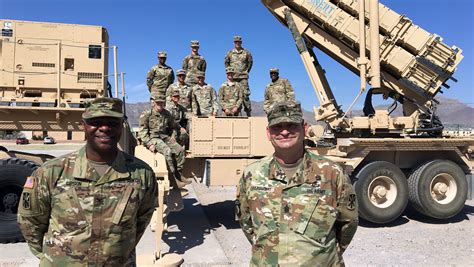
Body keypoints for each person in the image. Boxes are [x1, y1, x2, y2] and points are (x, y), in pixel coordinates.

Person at [18, 97, 157, 266]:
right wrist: (54, 258)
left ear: (122, 126)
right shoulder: (51, 172)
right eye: (96, 122)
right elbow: (30, 221)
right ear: (84, 126)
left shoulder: (142, 174)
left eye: (113, 122)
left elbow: (141, 221)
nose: (105, 128)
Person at [236, 101, 358, 266]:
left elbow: (348, 223)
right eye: (277, 127)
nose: (284, 131)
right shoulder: (252, 174)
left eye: (291, 125)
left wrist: (321, 256)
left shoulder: (332, 173)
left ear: (305, 128)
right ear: (268, 133)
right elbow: (246, 221)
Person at [138, 92, 186, 183]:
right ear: (154, 103)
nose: (159, 105)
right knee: (167, 151)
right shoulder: (147, 114)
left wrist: (173, 135)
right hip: (153, 137)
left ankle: (178, 174)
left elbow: (174, 126)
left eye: (161, 103)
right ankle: (173, 179)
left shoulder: (167, 114)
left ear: (164, 103)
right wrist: (149, 144)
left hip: (164, 136)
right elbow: (142, 131)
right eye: (158, 103)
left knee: (180, 150)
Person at [224, 35, 253, 117]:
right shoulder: (230, 53)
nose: (237, 43)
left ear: (241, 42)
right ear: (234, 43)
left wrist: (246, 71)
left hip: (243, 78)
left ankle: (248, 113)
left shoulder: (246, 52)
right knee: (234, 96)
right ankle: (235, 114)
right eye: (236, 42)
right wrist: (230, 72)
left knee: (245, 95)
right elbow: (226, 63)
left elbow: (250, 62)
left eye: (239, 42)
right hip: (233, 78)